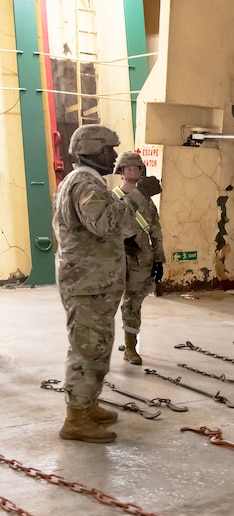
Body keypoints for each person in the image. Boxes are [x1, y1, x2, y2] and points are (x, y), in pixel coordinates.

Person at [52, 124, 143, 444]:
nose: (115, 156)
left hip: (93, 282)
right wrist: (129, 197)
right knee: (87, 349)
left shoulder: (83, 181)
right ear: (94, 151)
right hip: (87, 283)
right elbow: (105, 223)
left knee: (97, 346)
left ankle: (88, 404)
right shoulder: (85, 183)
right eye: (110, 150)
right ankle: (76, 418)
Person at [113, 151, 165, 365]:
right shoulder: (112, 198)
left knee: (133, 302)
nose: (133, 172)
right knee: (106, 304)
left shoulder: (147, 201)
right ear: (121, 171)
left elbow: (155, 229)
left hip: (141, 259)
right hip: (117, 259)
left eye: (137, 168)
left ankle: (131, 348)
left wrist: (159, 259)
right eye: (129, 168)